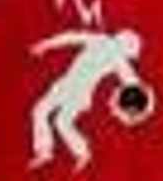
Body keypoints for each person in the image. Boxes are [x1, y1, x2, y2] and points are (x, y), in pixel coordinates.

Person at [27, 28, 146, 171]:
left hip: (78, 90)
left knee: (56, 119)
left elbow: (133, 84)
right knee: (49, 115)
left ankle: (70, 152)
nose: (128, 56)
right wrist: (46, 44)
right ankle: (54, 152)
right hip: (68, 85)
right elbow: (71, 37)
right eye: (130, 53)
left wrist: (46, 44)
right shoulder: (110, 50)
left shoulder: (115, 56)